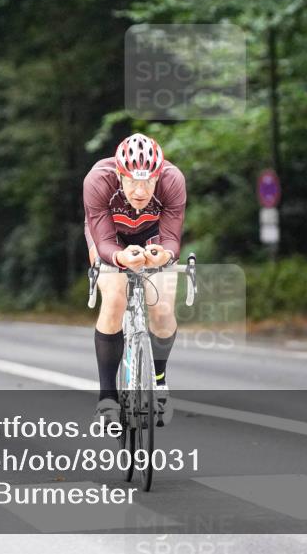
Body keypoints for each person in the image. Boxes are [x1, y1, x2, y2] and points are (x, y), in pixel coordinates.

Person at [83, 133, 186, 427]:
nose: (140, 191)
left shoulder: (172, 180)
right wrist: (120, 258)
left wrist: (163, 255)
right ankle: (107, 398)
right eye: (131, 181)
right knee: (115, 295)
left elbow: (172, 239)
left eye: (148, 181)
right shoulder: (97, 180)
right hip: (109, 234)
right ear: (119, 174)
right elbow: (102, 242)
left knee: (163, 308)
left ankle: (160, 382)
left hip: (153, 234)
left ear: (158, 175)